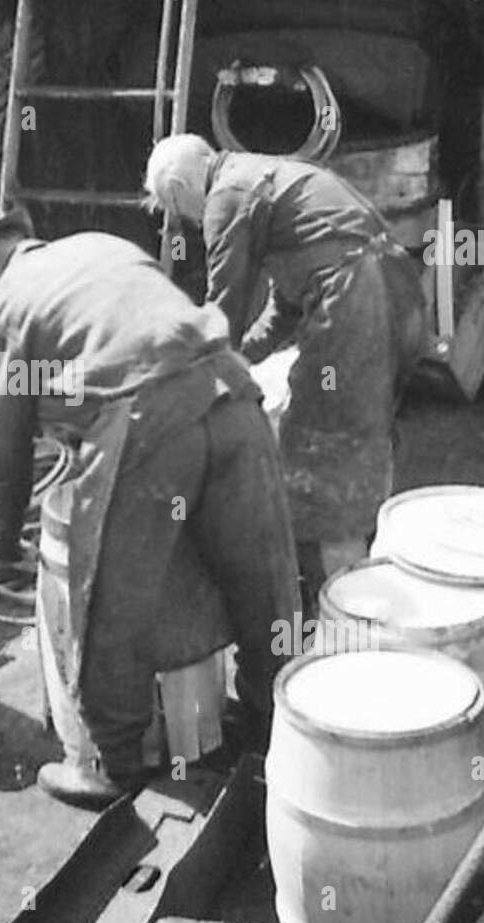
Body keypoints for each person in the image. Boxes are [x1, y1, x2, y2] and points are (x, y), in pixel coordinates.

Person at [0, 197, 300, 808]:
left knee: (107, 595)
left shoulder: (0, 311)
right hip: (232, 392)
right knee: (263, 574)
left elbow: (2, 450)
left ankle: (115, 762)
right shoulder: (104, 247)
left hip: (147, 422)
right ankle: (275, 721)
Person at [143, 134, 428, 599]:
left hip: (356, 302)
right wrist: (245, 357)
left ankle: (347, 611)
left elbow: (223, 306)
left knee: (323, 446)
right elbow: (285, 305)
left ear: (178, 189)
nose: (185, 224)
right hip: (398, 294)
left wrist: (192, 384)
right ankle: (358, 569)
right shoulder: (266, 174)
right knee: (361, 435)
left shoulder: (226, 197)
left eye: (176, 211)